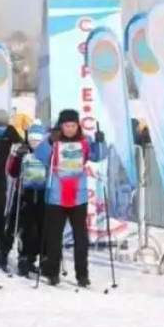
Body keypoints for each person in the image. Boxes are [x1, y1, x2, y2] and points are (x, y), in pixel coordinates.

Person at [33, 110, 104, 287]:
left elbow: (98, 155)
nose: (70, 129)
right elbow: (40, 156)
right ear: (61, 126)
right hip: (56, 197)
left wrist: (100, 141)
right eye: (66, 126)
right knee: (54, 238)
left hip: (78, 197)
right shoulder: (54, 140)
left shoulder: (85, 141)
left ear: (77, 125)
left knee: (81, 238)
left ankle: (82, 275)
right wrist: (49, 141)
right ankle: (53, 272)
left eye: (73, 125)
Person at [6, 122, 49, 278]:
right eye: (31, 139)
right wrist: (17, 157)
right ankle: (25, 259)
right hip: (26, 195)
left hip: (44, 194)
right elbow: (12, 172)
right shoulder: (23, 151)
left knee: (43, 228)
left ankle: (45, 260)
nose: (34, 143)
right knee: (27, 228)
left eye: (37, 139)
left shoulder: (47, 152)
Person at [0, 109, 23, 271]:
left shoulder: (12, 134)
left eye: (2, 125)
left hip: (1, 180)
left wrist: (22, 151)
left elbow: (21, 148)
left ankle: (0, 249)